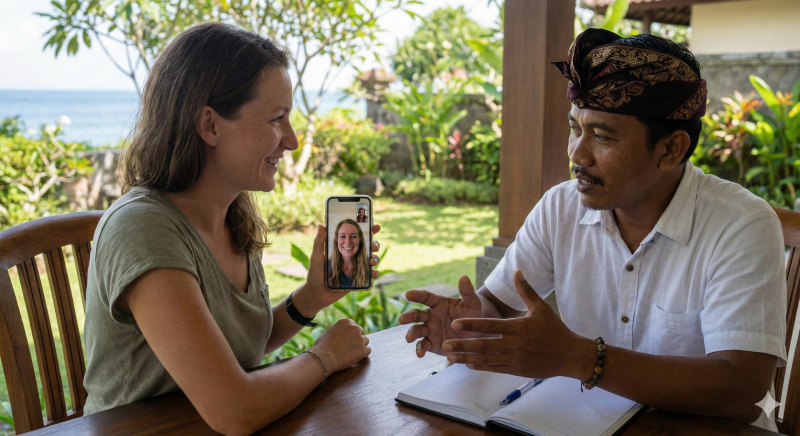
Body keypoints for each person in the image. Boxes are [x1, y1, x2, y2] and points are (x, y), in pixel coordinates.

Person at [400, 29, 786, 431]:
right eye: (575, 129)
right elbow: (498, 305)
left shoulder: (740, 225)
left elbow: (740, 384)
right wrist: (472, 325)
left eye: (601, 136)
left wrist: (580, 358)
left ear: (671, 149)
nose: (577, 154)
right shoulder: (560, 207)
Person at [82, 22, 382, 435]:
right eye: (277, 119)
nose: (292, 140)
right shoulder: (142, 229)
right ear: (210, 125)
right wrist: (322, 358)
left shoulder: (231, 214)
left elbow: (235, 349)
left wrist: (310, 298)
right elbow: (234, 410)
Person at [328, 219, 371, 288]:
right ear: (336, 240)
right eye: (342, 236)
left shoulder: (369, 265)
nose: (348, 242)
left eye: (353, 236)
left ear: (360, 241)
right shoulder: (326, 267)